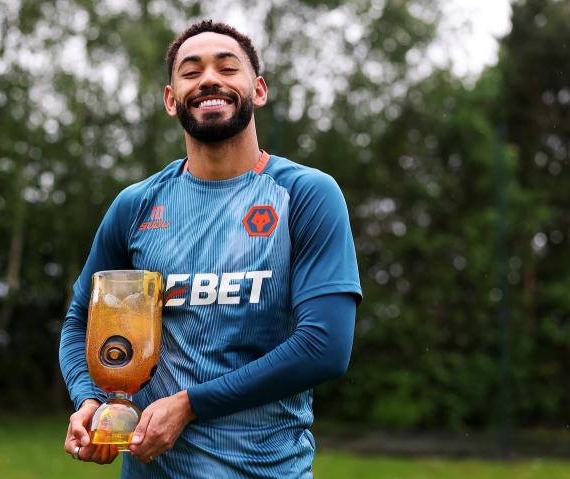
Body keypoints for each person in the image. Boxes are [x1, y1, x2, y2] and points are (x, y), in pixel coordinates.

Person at [59, 19, 362, 478]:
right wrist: (91, 400)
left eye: (227, 67)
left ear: (258, 89)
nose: (209, 80)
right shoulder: (136, 206)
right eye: (191, 71)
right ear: (171, 99)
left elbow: (324, 347)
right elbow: (80, 320)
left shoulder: (306, 195)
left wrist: (190, 404)